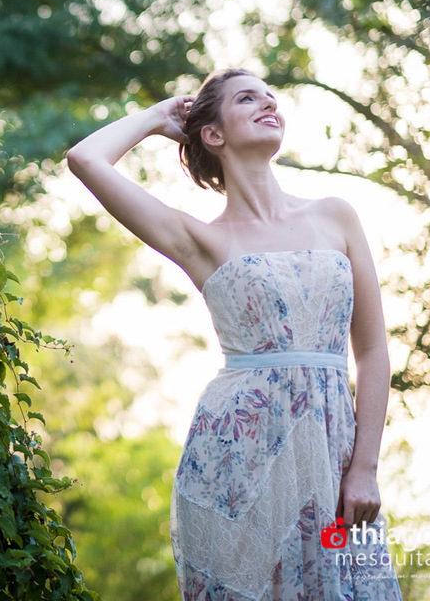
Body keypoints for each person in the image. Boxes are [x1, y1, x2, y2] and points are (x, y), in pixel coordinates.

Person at [66, 70, 404, 599]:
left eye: (271, 96)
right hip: (236, 463)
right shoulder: (202, 240)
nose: (269, 103)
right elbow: (85, 159)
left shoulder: (336, 216)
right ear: (212, 135)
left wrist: (364, 467)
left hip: (333, 453)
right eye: (248, 98)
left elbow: (373, 349)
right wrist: (159, 117)